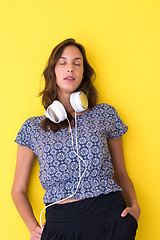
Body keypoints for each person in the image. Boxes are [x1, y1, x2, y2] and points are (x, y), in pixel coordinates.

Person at [11, 38, 140, 240]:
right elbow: (18, 190)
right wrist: (33, 228)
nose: (70, 69)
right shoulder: (32, 128)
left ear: (83, 73)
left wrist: (135, 208)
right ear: (52, 71)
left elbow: (121, 173)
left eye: (76, 63)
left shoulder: (105, 114)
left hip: (111, 218)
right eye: (62, 63)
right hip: (61, 226)